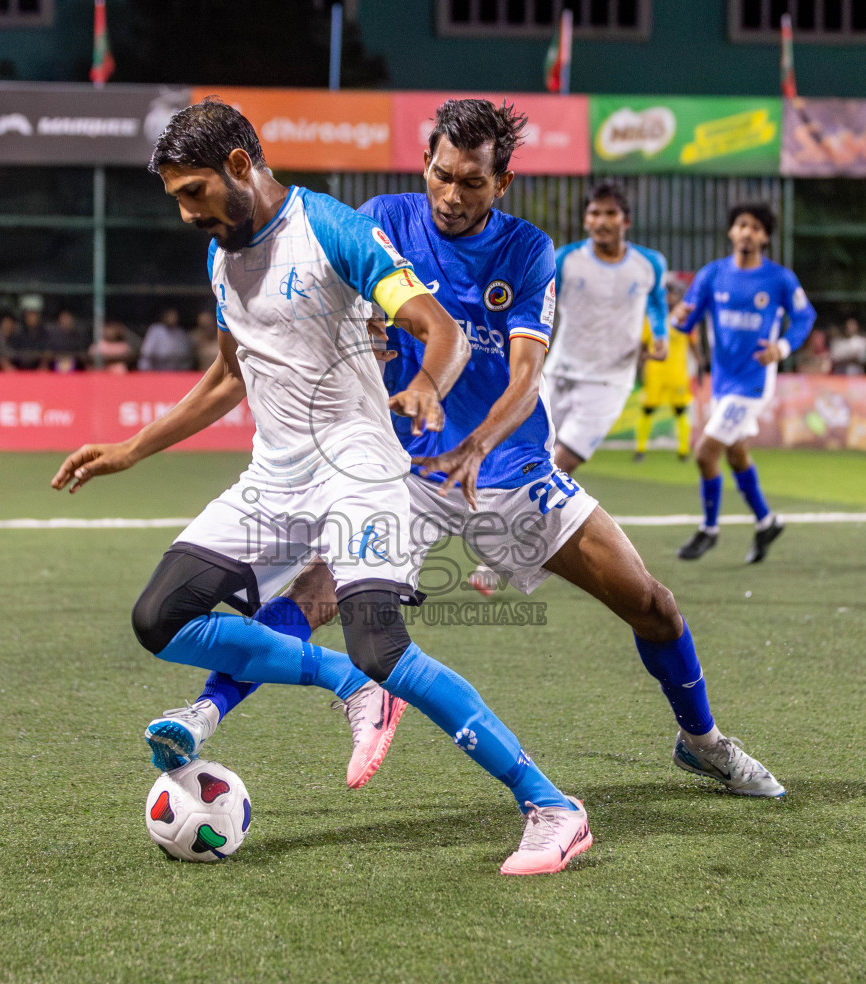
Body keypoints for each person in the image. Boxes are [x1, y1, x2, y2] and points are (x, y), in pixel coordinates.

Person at [152, 98, 783, 826]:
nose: (452, 197)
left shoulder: (527, 250)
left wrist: (475, 445)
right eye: (442, 176)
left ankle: (701, 739)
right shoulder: (384, 218)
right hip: (403, 473)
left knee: (651, 605)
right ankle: (202, 713)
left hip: (507, 466)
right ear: (426, 164)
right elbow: (330, 303)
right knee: (311, 596)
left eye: (472, 183)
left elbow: (526, 378)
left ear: (501, 183)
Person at [50, 99, 593, 875]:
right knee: (158, 619)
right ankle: (347, 684)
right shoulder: (219, 253)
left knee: (382, 644)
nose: (183, 212)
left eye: (192, 191)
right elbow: (230, 377)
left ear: (240, 166)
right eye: (175, 195)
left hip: (360, 468)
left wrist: (428, 387)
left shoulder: (332, 228)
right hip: (273, 477)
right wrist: (132, 450)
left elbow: (437, 329)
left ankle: (550, 806)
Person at [673, 202, 815, 565]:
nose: (747, 232)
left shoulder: (780, 279)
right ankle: (767, 521)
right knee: (736, 454)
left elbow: (804, 317)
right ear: (731, 232)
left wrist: (782, 347)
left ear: (765, 236)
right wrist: (674, 318)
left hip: (753, 383)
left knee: (706, 452)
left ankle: (709, 530)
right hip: (723, 383)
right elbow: (686, 322)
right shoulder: (711, 275)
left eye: (755, 227)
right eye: (741, 225)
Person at [541, 181, 668, 475]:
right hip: (559, 373)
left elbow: (657, 303)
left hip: (610, 381)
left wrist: (660, 338)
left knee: (564, 461)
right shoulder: (565, 260)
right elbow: (539, 308)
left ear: (626, 221)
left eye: (611, 213)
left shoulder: (649, 264)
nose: (601, 221)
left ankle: (527, 518)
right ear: (586, 219)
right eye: (595, 213)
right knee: (528, 454)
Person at [635, 275, 695, 463]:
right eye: (667, 293)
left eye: (673, 294)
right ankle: (640, 449)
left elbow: (694, 343)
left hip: (677, 373)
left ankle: (684, 451)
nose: (670, 297)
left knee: (680, 411)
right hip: (655, 373)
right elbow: (642, 345)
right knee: (647, 410)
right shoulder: (652, 317)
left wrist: (701, 364)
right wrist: (639, 367)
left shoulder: (685, 318)